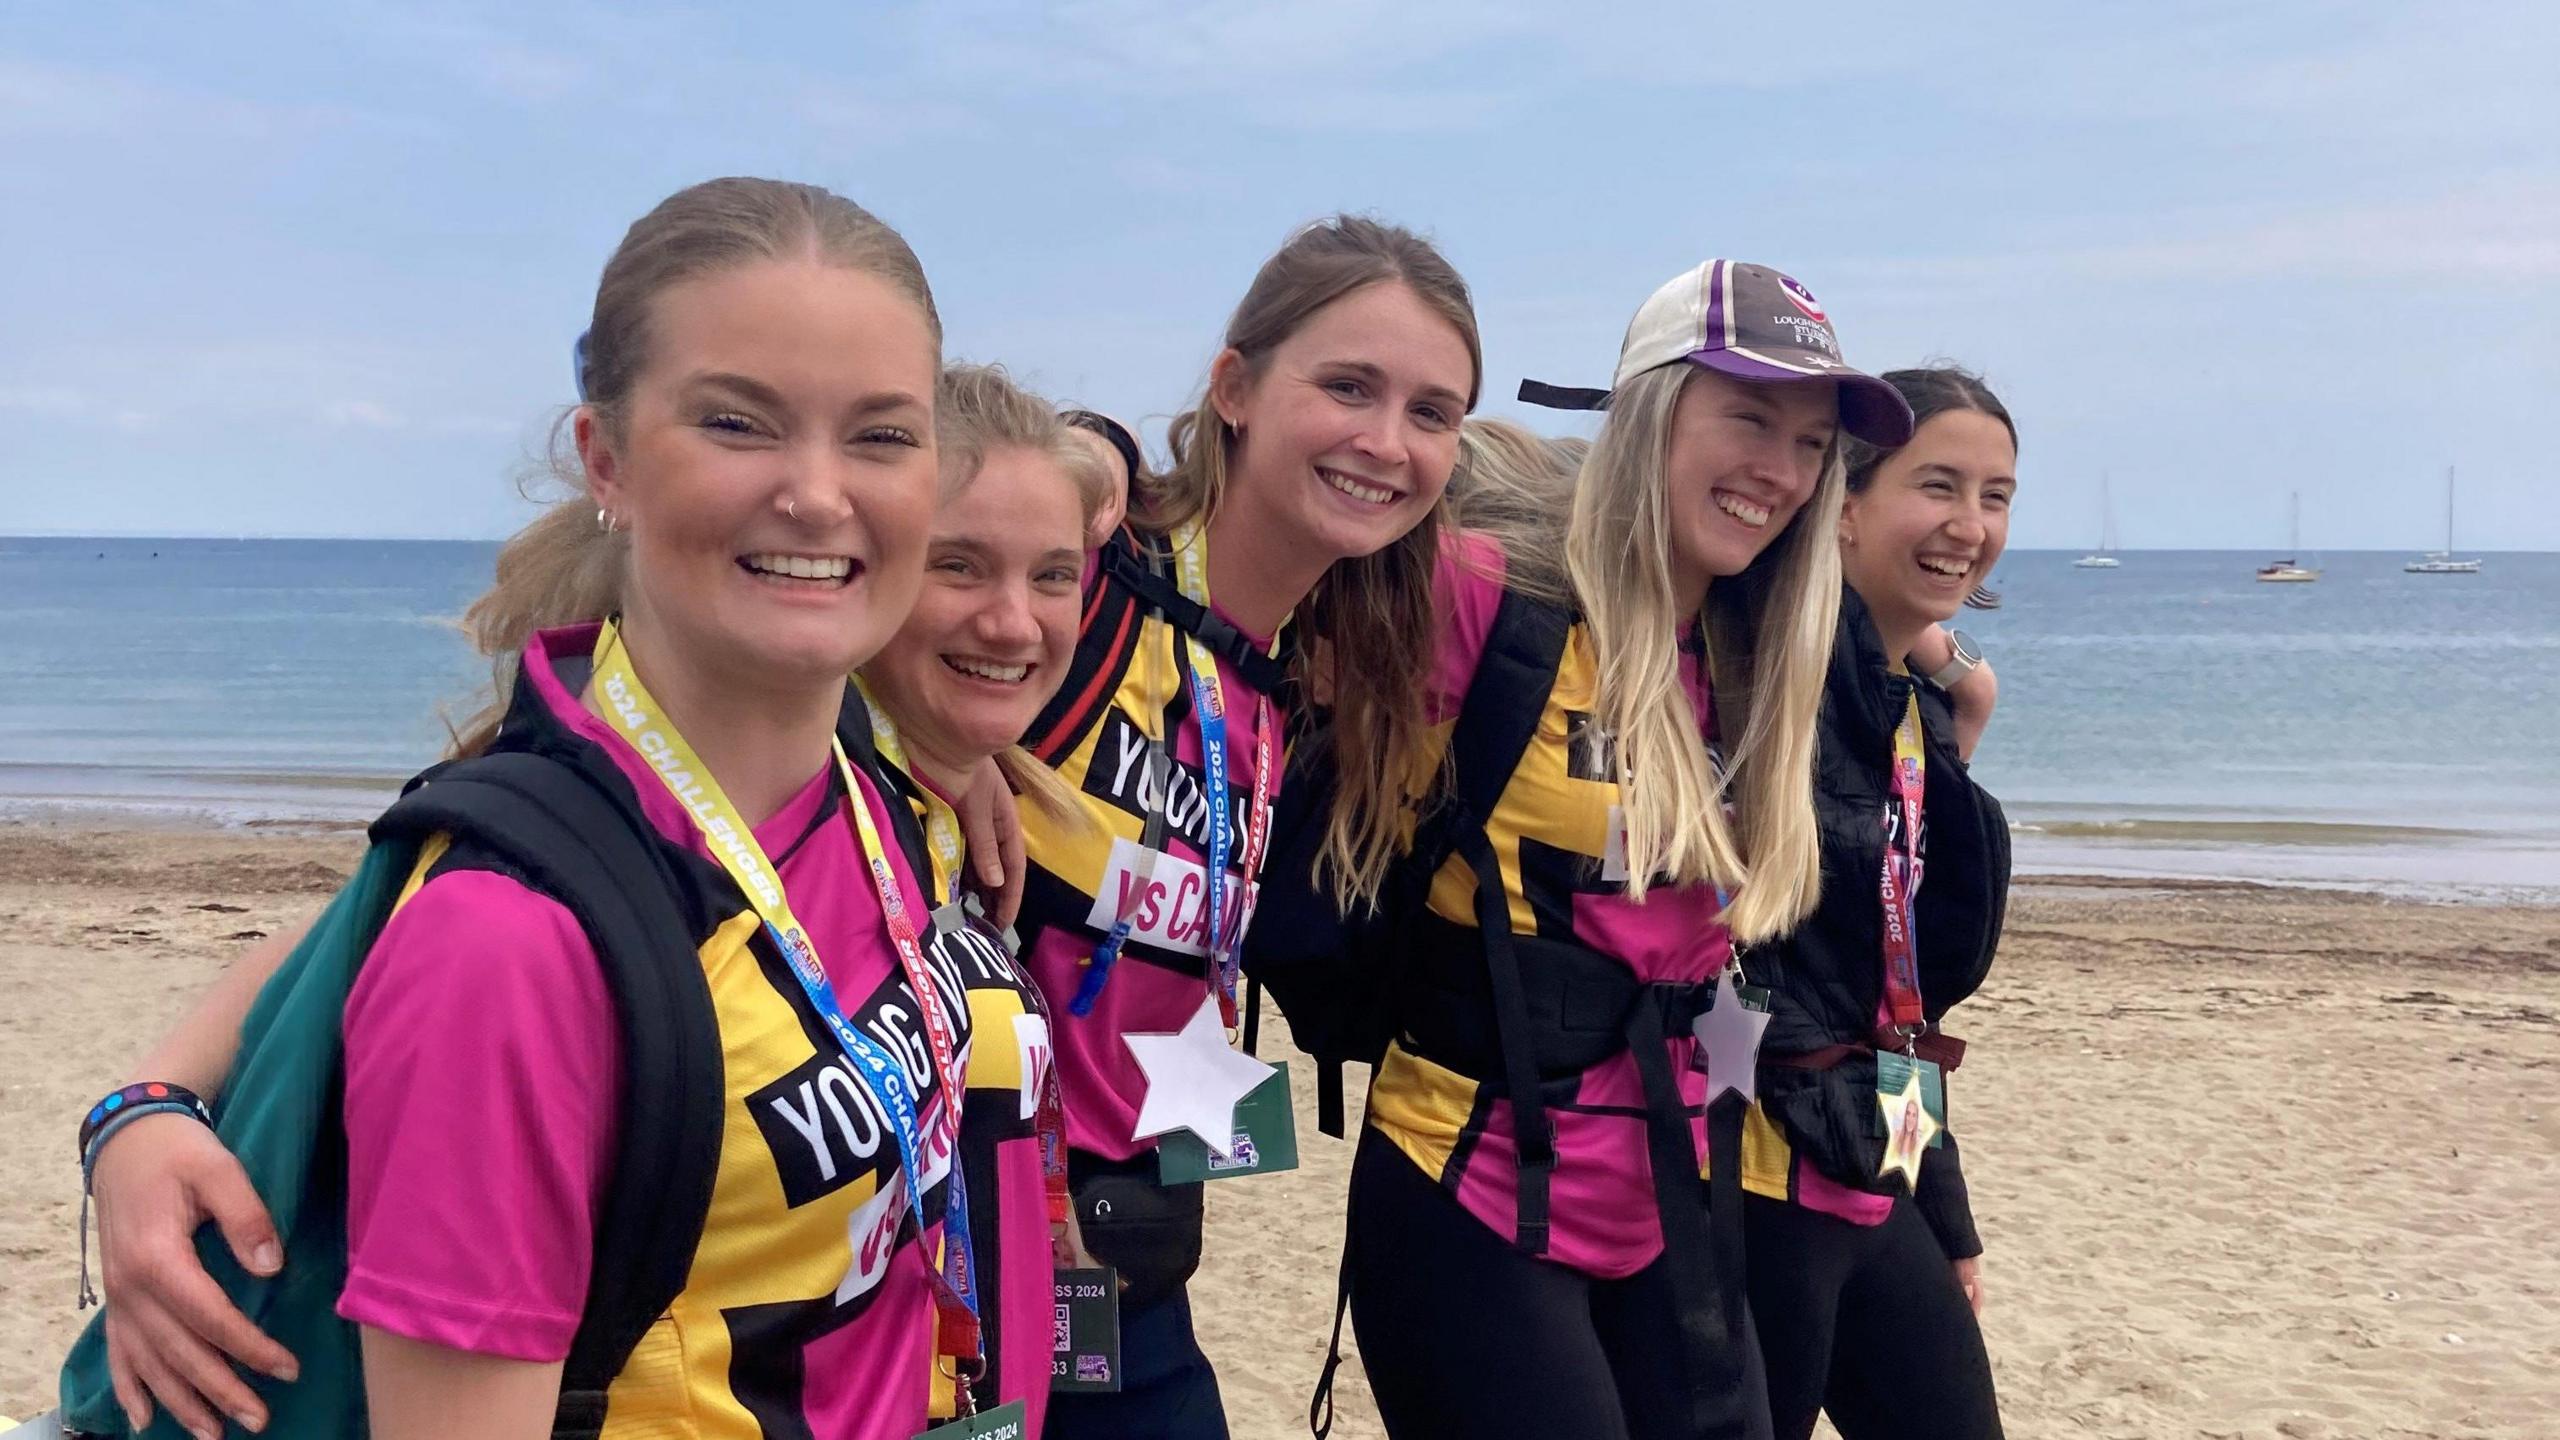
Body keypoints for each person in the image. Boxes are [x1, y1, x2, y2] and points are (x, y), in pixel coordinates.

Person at [62, 178, 1059, 1440]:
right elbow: (458, 951)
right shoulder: (508, 945)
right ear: (607, 460)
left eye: (879, 435)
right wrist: (131, 1118)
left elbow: (326, 949)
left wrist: (140, 1100)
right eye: (739, 423)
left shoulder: (868, 786)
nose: (818, 494)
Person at [1263, 259, 1917, 1440]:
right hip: (1465, 1185)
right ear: (1655, 412)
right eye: (1748, 419)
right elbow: (1253, 575)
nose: (1778, 468)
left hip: (1679, 1192)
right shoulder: (1476, 602)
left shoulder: (1765, 665)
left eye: (1811, 445)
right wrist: (1102, 457)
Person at [1012, 214, 1481, 1440]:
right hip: (963, 1243)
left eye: (1432, 413)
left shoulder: (1286, 684)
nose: (1388, 441)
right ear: (1233, 388)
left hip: (1135, 1257)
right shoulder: (1087, 577)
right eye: (1348, 387)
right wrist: (1076, 446)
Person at [1739, 364, 2015, 1440]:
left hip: (1874, 1160)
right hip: (1757, 1179)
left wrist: (1942, 1211)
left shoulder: (1912, 714)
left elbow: (1894, 991)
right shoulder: (1762, 679)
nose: (1970, 524)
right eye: (1937, 486)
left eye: (1995, 496)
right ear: (1840, 508)